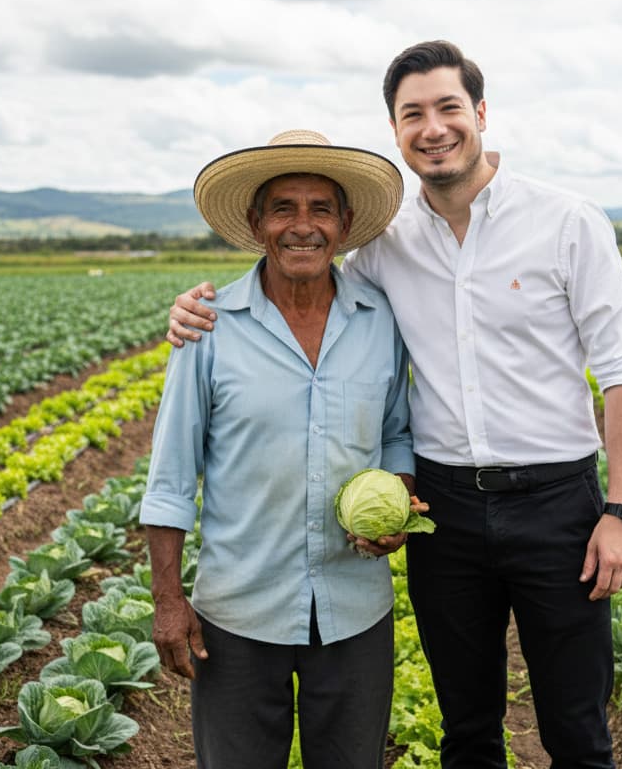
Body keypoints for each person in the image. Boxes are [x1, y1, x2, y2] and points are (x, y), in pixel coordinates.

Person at [167, 41, 622, 769]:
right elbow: (301, 273)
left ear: (481, 113)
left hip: (558, 502)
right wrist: (193, 311)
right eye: (412, 114)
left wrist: (620, 512)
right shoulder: (382, 249)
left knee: (578, 730)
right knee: (468, 729)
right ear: (395, 131)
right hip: (447, 512)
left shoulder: (568, 221)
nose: (434, 127)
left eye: (449, 107)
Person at [141, 129, 417, 769]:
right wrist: (167, 601)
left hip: (355, 610)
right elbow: (171, 477)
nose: (303, 226)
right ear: (256, 221)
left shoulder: (381, 319)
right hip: (237, 614)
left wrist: (399, 500)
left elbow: (398, 433)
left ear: (345, 225)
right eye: (284, 208)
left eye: (321, 208)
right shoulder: (209, 326)